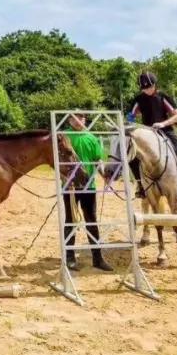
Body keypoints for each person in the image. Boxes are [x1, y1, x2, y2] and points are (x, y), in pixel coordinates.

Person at [128, 71, 177, 202]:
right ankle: (141, 184)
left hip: (165, 130)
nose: (147, 90)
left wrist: (163, 124)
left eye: (149, 87)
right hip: (146, 133)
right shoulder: (138, 99)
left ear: (154, 84)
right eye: (144, 88)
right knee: (131, 155)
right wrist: (130, 119)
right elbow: (131, 115)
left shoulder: (163, 97)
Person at [62, 114, 113, 271]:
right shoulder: (64, 137)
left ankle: (97, 258)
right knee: (71, 220)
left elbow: (98, 160)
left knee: (91, 220)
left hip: (88, 186)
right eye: (74, 118)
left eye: (81, 118)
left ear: (84, 120)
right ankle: (69, 258)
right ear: (70, 121)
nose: (78, 121)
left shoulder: (92, 137)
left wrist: (104, 174)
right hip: (70, 187)